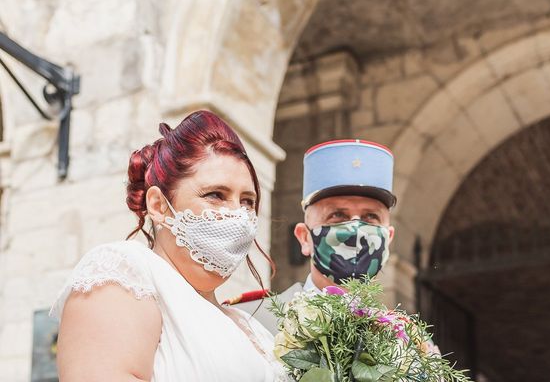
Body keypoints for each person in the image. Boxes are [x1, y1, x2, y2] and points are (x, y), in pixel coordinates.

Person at [50, 110, 288, 381]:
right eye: (215, 195)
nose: (237, 215)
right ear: (159, 205)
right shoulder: (124, 275)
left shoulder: (251, 328)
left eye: (247, 201)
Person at [230, 139, 396, 332]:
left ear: (389, 238)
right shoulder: (248, 321)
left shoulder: (408, 341)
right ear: (304, 237)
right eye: (338, 215)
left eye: (371, 217)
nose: (355, 228)